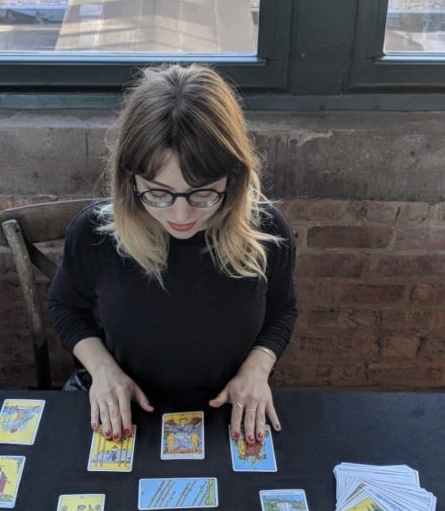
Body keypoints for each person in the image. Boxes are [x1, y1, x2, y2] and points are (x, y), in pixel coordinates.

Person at [49, 63, 297, 444]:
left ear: (233, 178)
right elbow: (65, 308)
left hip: (224, 409)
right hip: (127, 405)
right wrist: (101, 369)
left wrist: (257, 369)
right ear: (129, 179)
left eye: (202, 193)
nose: (181, 216)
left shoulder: (266, 231)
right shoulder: (94, 233)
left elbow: (282, 310)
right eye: (158, 193)